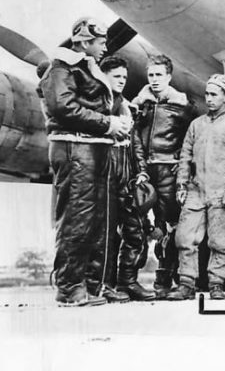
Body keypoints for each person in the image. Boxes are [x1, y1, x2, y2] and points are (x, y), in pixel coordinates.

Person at [38, 17, 131, 307]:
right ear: (84, 42)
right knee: (78, 218)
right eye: (101, 42)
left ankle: (90, 286)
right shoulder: (62, 67)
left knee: (96, 220)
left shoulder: (84, 68)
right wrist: (107, 123)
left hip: (94, 149)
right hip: (75, 148)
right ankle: (68, 287)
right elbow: (61, 106)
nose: (105, 46)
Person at [167, 74, 225, 301]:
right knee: (184, 237)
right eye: (207, 94)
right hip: (196, 190)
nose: (209, 99)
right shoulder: (197, 124)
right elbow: (185, 156)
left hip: (221, 192)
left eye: (215, 94)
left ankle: (216, 283)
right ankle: (186, 283)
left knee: (220, 240)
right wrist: (182, 185)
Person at [132, 55, 195, 299]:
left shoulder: (182, 106)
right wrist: (141, 168)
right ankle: (135, 278)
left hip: (170, 170)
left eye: (159, 75)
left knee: (173, 224)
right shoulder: (140, 106)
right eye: (151, 75)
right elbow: (135, 139)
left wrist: (180, 165)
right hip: (146, 171)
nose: (155, 80)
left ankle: (168, 277)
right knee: (145, 225)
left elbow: (190, 139)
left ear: (169, 76)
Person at [99, 55, 157, 302]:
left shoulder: (127, 107)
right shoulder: (98, 106)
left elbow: (136, 145)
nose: (122, 81)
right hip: (106, 178)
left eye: (124, 76)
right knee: (108, 236)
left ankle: (128, 282)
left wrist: (141, 170)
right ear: (104, 78)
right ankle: (105, 284)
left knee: (135, 233)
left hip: (127, 180)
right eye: (116, 77)